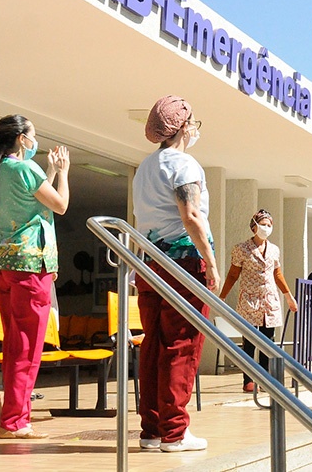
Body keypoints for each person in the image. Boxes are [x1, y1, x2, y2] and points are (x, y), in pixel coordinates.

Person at [132, 95, 221, 453]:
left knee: (153, 344)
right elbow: (191, 216)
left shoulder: (144, 168)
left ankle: (152, 429)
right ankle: (175, 432)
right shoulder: (185, 165)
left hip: (150, 263)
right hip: (183, 264)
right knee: (181, 345)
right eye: (194, 123)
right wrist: (211, 262)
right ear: (185, 126)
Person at [0, 115, 69, 439]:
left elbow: (30, 199)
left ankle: (14, 418)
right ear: (22, 139)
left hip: (4, 265)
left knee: (13, 344)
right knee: (28, 347)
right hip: (30, 267)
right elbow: (60, 204)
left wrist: (47, 172)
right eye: (33, 136)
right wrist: (62, 172)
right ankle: (14, 422)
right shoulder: (26, 169)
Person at [219, 209, 298, 392]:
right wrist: (222, 297)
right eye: (263, 224)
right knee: (249, 341)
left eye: (269, 225)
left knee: (267, 341)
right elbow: (232, 275)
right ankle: (248, 379)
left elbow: (277, 273)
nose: (266, 228)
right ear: (254, 226)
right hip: (249, 299)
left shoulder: (274, 250)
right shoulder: (242, 249)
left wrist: (288, 296)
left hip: (268, 301)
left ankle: (264, 378)